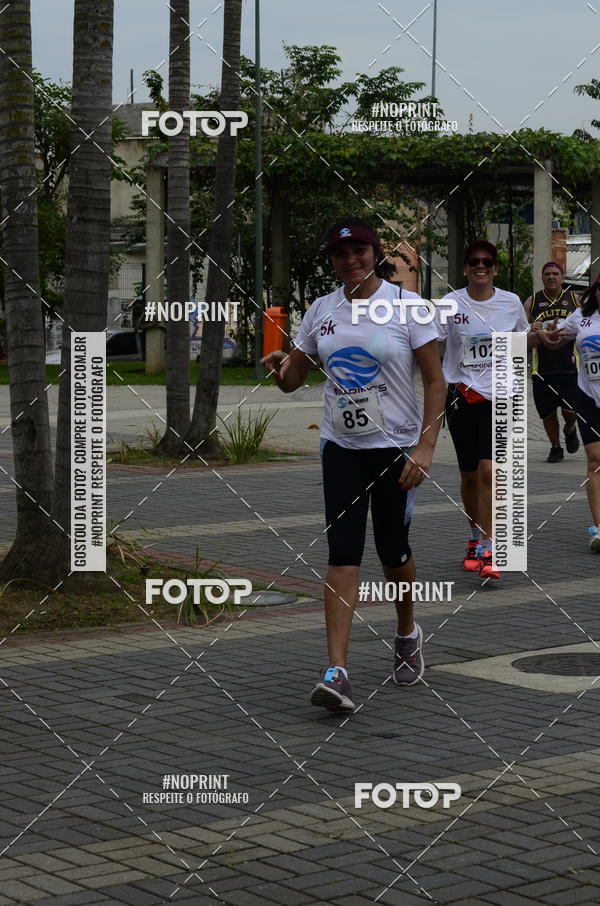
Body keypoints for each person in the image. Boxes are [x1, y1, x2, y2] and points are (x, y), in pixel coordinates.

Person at [261, 217, 446, 712]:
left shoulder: (408, 307)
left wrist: (425, 448)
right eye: (341, 254)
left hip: (397, 448)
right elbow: (294, 378)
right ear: (333, 260)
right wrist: (282, 367)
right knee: (343, 553)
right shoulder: (322, 310)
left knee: (393, 551)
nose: (351, 261)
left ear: (374, 252)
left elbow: (434, 382)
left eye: (359, 251)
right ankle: (338, 672)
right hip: (341, 447)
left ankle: (406, 631)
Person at [438, 240, 536, 580]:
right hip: (462, 397)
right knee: (468, 476)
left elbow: (523, 340)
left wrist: (545, 337)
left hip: (502, 398)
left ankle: (491, 548)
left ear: (495, 268)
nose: (481, 266)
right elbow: (428, 341)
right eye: (474, 261)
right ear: (465, 268)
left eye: (488, 262)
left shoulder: (510, 303)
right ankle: (475, 537)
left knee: (488, 471)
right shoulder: (450, 304)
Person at [540, 275, 600, 551]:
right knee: (595, 462)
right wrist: (547, 330)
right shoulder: (582, 316)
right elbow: (555, 337)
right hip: (588, 398)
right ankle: (599, 529)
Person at [524, 262, 580, 462]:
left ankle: (570, 428)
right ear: (542, 277)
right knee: (547, 413)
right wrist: (532, 326)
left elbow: (587, 324)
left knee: (570, 410)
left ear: (562, 277)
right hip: (542, 369)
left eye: (555, 274)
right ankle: (555, 447)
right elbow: (521, 331)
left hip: (570, 366)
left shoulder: (575, 299)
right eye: (547, 274)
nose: (551, 277)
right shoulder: (533, 301)